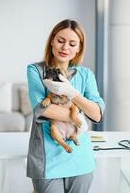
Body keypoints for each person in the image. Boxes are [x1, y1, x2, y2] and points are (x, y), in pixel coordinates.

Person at [27, 19, 105, 193]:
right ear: (52, 40)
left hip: (81, 158)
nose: (65, 48)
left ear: (79, 48)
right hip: (47, 161)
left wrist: (73, 93)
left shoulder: (85, 74)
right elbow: (43, 109)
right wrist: (78, 116)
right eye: (61, 41)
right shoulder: (36, 70)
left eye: (72, 43)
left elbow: (97, 114)